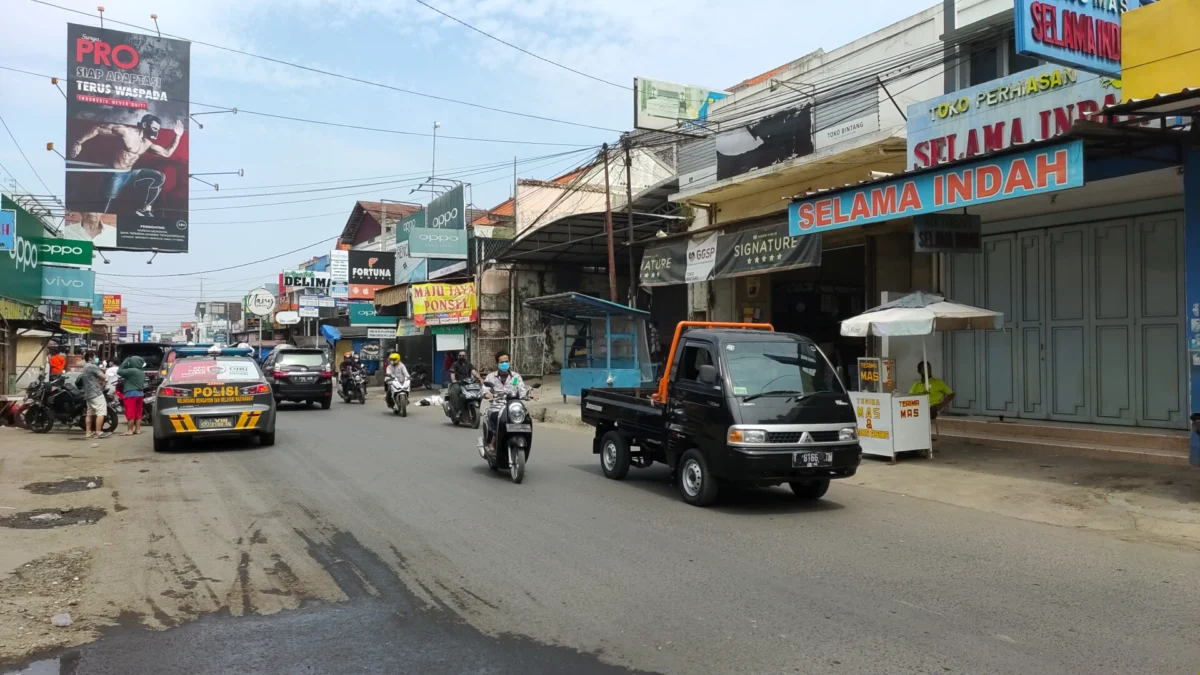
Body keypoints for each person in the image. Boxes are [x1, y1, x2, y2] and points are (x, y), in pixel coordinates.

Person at [68, 115, 186, 220]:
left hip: (129, 174)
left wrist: (177, 136)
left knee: (159, 177)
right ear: (145, 125)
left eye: (158, 130)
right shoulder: (126, 132)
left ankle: (144, 209)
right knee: (104, 208)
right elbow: (97, 129)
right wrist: (78, 142)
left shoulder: (147, 143)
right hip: (116, 174)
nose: (156, 132)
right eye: (155, 128)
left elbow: (167, 153)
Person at [482, 351, 534, 453]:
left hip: (513, 407)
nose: (504, 364)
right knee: (498, 421)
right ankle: (493, 443)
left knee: (526, 420)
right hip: (497, 407)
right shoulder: (491, 377)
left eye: (506, 361)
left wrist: (529, 394)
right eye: (502, 362)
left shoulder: (516, 376)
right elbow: (484, 390)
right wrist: (487, 394)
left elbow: (522, 390)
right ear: (497, 363)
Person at [78, 350, 110, 439]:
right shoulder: (92, 366)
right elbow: (103, 377)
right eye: (95, 356)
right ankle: (98, 432)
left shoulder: (85, 367)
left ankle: (88, 432)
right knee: (101, 412)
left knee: (90, 413)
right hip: (96, 393)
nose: (96, 358)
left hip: (88, 393)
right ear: (91, 357)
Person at [117, 355, 146, 436]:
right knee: (138, 413)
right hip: (140, 394)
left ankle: (129, 430)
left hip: (131, 394)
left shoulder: (132, 371)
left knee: (130, 413)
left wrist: (126, 361)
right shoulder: (141, 372)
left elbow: (119, 371)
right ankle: (137, 429)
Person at [447, 350, 480, 418]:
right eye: (460, 356)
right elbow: (452, 373)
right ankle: (457, 411)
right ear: (458, 356)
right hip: (458, 383)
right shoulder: (455, 364)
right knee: (454, 393)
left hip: (468, 383)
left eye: (463, 356)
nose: (462, 357)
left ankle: (476, 408)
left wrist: (480, 378)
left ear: (466, 357)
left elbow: (474, 372)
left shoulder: (469, 364)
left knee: (478, 392)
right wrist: (453, 380)